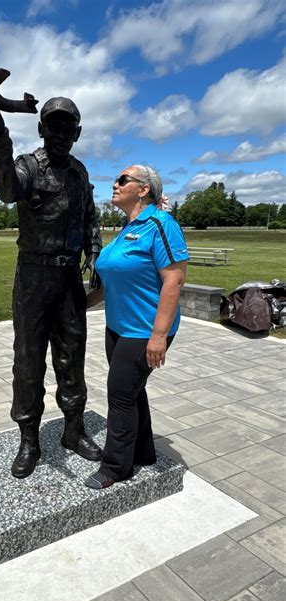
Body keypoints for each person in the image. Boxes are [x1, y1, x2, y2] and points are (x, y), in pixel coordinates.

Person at [0, 90, 103, 478]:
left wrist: (94, 252)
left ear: (78, 133)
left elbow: (89, 218)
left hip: (68, 279)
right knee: (28, 361)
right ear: (41, 128)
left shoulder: (80, 173)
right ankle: (29, 438)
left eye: (69, 126)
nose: (61, 132)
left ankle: (73, 430)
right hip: (33, 276)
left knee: (72, 357)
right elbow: (5, 189)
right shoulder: (29, 167)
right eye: (54, 125)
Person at [84, 165, 189, 489]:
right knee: (132, 392)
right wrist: (80, 305)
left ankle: (115, 467)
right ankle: (143, 451)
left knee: (120, 397)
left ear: (143, 189)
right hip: (118, 327)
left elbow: (174, 280)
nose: (114, 184)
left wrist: (158, 336)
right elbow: (111, 281)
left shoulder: (161, 225)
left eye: (122, 180)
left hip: (144, 331)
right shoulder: (127, 228)